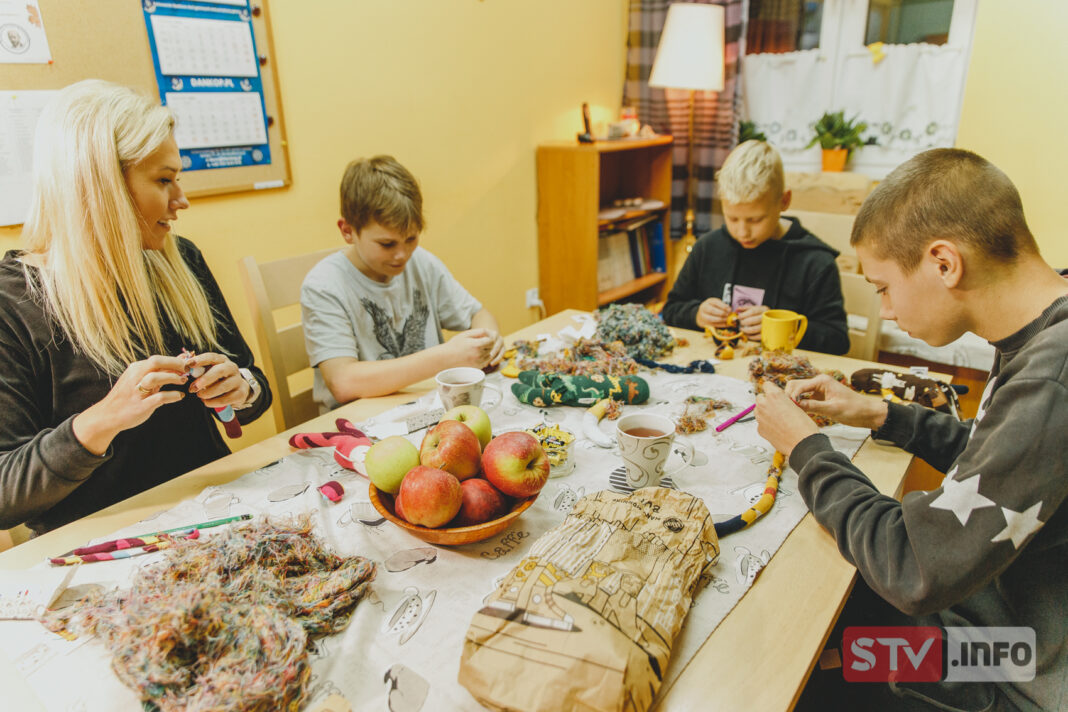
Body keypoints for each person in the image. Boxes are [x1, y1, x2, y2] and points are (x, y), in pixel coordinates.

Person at [755, 148, 1067, 711]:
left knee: (795, 664)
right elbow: (995, 463)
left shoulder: (1053, 379)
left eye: (882, 287)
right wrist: (880, 413)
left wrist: (807, 449)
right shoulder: (1043, 326)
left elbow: (911, 566)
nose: (887, 310)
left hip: (1016, 665)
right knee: (829, 630)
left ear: (944, 262)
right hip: (1003, 627)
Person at [0, 80, 272, 535]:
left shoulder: (180, 260)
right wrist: (103, 420)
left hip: (215, 512)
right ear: (100, 187)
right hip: (103, 545)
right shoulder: (13, 303)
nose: (181, 200)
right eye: (164, 180)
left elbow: (252, 387)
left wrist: (240, 389)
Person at [301, 155, 504, 411]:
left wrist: (488, 338)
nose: (402, 255)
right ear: (347, 231)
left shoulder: (422, 263)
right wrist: (447, 357)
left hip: (426, 410)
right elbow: (344, 382)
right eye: (387, 244)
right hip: (359, 423)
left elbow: (478, 313)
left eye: (411, 239)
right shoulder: (324, 285)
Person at [661, 140, 849, 354]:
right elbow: (671, 310)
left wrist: (783, 328)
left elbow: (837, 339)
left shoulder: (815, 262)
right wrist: (696, 314)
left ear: (784, 201)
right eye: (732, 218)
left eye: (755, 220)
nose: (742, 232)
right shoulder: (707, 248)